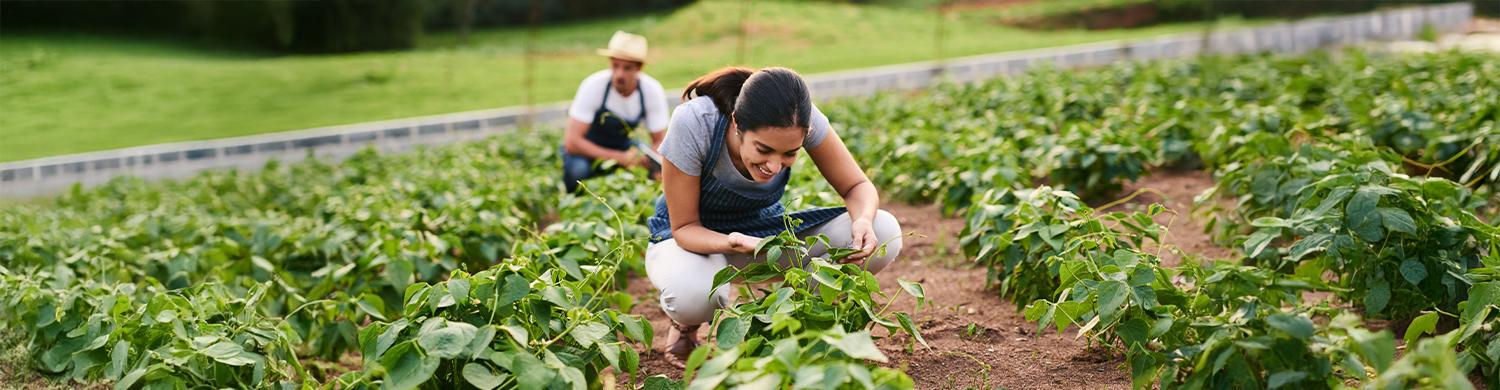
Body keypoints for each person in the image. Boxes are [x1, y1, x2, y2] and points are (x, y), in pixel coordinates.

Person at [643, 67, 904, 360]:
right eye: (763, 149)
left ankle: (802, 320)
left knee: (884, 231)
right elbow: (686, 227)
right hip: (691, 239)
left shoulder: (803, 119)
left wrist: (863, 221)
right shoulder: (694, 122)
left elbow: (857, 185)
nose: (774, 166)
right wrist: (734, 241)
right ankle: (685, 327)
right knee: (695, 295)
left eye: (789, 154)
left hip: (763, 231)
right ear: (737, 124)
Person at [562, 31, 670, 193]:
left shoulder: (651, 91)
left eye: (627, 68)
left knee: (657, 170)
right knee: (578, 171)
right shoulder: (593, 86)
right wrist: (618, 158)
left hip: (624, 146)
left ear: (639, 68)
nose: (620, 74)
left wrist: (644, 160)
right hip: (585, 148)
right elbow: (572, 142)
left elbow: (659, 141)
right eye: (615, 66)